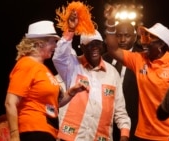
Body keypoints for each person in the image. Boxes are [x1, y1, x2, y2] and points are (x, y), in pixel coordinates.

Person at [104, 5, 169, 141]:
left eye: (148, 39)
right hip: (142, 134)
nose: (143, 42)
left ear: (161, 45)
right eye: (144, 37)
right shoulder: (140, 59)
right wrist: (110, 22)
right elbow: (113, 50)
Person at [53, 2, 131, 140]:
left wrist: (124, 135)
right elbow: (59, 56)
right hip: (71, 138)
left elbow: (120, 110)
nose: (94, 48)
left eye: (97, 44)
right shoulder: (72, 66)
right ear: (82, 47)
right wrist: (70, 30)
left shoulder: (112, 73)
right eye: (89, 45)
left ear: (102, 46)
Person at [4, 20, 87, 141]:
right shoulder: (26, 64)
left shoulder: (44, 69)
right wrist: (14, 135)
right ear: (39, 43)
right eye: (52, 42)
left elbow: (51, 105)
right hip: (33, 130)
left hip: (48, 131)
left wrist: (71, 93)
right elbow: (10, 102)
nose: (55, 46)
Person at [102, 21, 140, 141]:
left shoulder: (142, 59)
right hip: (105, 118)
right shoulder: (104, 58)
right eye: (118, 35)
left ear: (134, 38)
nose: (123, 40)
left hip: (133, 119)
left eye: (127, 35)